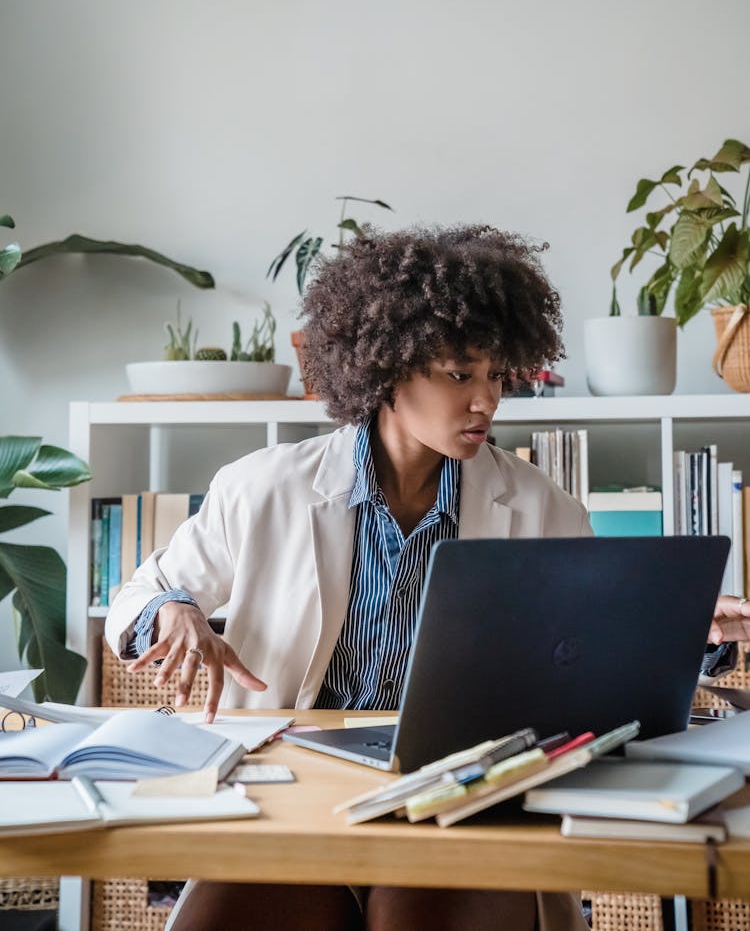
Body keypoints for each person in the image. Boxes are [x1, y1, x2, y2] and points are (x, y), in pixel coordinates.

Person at [105, 224, 749, 931]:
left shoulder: (542, 506)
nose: (487, 400)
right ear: (387, 368)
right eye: (459, 374)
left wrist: (684, 633)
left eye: (497, 374)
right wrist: (174, 612)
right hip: (293, 796)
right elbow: (136, 600)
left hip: (466, 797)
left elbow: (598, 669)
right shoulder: (260, 488)